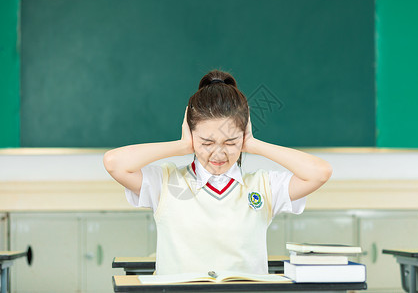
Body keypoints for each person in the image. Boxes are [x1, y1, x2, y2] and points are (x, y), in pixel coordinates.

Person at [103, 69, 332, 275]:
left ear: (243, 136)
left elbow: (320, 172)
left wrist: (253, 144)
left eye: (230, 142)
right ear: (191, 135)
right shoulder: (166, 182)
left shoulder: (263, 186)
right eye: (206, 142)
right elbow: (114, 163)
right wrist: (181, 145)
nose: (219, 153)